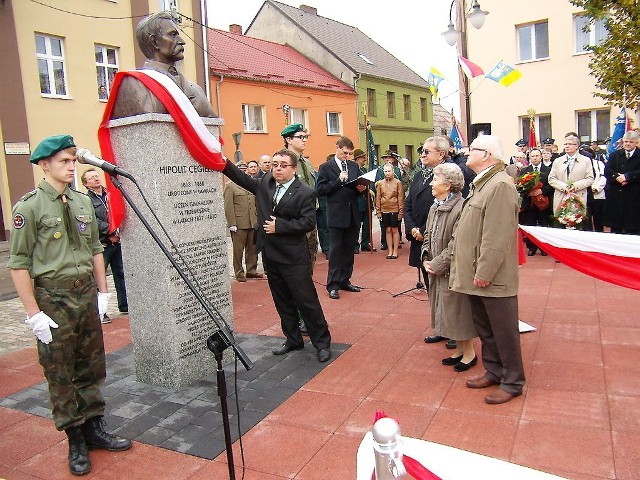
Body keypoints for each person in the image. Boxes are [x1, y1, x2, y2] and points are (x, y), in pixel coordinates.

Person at [8, 135, 132, 475]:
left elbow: (95, 248)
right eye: (64, 161)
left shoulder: (80, 202)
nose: (71, 166)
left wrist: (103, 292)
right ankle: (74, 437)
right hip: (53, 298)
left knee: (91, 365)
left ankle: (94, 427)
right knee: (60, 371)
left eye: (73, 160)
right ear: (44, 164)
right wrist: (33, 313)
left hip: (85, 295)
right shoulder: (30, 207)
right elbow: (18, 263)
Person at [222, 149, 332, 362]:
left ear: (293, 168)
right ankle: (293, 339)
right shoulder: (265, 184)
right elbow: (241, 177)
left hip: (293, 257)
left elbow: (308, 222)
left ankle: (322, 343)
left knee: (306, 301)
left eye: (283, 165)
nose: (278, 168)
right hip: (271, 255)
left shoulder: (305, 192)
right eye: (275, 164)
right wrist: (221, 159)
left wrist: (279, 226)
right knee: (282, 300)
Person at [450, 134, 525, 405]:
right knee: (486, 328)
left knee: (504, 330)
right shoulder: (483, 183)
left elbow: (497, 236)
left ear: (487, 155)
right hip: (476, 274)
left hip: (491, 277)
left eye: (473, 149)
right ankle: (494, 370)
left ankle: (513, 381)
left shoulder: (500, 184)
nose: (466, 152)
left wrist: (485, 271)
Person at [422, 163, 476, 372]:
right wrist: (426, 256)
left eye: (435, 180)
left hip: (455, 268)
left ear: (448, 184)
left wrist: (437, 264)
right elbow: (428, 234)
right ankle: (460, 349)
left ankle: (469, 352)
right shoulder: (435, 206)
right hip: (438, 268)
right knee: (446, 310)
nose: (431, 184)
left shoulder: (461, 207)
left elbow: (457, 243)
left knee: (459, 310)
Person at [111, 12, 216, 118]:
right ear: (154, 41)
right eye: (173, 35)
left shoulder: (196, 90)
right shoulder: (135, 85)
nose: (182, 41)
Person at [411, 137, 458, 349]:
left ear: (441, 154)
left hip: (441, 240)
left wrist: (425, 232)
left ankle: (454, 330)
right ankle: (440, 326)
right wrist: (413, 228)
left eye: (427, 151)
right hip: (421, 239)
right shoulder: (419, 175)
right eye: (422, 151)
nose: (422, 155)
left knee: (449, 289)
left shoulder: (450, 174)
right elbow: (410, 202)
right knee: (431, 286)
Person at [316, 136, 367, 299]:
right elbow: (321, 190)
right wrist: (338, 181)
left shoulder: (353, 166)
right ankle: (333, 284)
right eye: (345, 152)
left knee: (349, 249)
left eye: (350, 153)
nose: (347, 156)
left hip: (352, 213)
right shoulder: (326, 167)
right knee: (336, 250)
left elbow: (359, 187)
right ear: (337, 148)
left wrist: (362, 186)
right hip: (336, 214)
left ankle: (345, 280)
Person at [81, 168, 129, 317]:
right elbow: (93, 221)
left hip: (117, 240)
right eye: (91, 178)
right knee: (99, 277)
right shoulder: (86, 200)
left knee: (120, 274)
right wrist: (110, 231)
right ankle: (101, 311)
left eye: (96, 176)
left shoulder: (110, 194)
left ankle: (124, 305)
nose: (96, 179)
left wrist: (117, 232)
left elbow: (118, 212)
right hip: (102, 243)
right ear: (86, 184)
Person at [223, 162, 263, 282]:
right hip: (239, 223)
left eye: (244, 169)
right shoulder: (230, 186)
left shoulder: (250, 184)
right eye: (240, 169)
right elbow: (228, 206)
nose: (243, 171)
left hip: (252, 222)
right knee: (238, 250)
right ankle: (239, 272)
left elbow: (256, 204)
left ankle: (251, 270)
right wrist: (232, 223)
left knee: (252, 248)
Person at [603, 131, 640, 234]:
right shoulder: (615, 155)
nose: (628, 144)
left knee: (633, 228)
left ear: (636, 143)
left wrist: (627, 177)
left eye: (631, 142)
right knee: (616, 228)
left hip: (634, 196)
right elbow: (608, 170)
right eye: (626, 141)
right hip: (617, 195)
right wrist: (617, 177)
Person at [548, 133, 594, 215]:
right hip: (561, 197)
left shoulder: (586, 160)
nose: (567, 146)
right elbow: (551, 179)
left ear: (576, 146)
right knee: (560, 223)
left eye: (569, 144)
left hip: (578, 196)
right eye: (565, 144)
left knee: (577, 222)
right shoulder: (558, 161)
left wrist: (575, 186)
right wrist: (564, 187)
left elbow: (590, 178)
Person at [517, 148, 552, 255]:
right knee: (530, 225)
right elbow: (520, 187)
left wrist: (541, 190)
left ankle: (544, 248)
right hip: (530, 203)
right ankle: (531, 247)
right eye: (532, 156)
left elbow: (552, 186)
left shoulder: (548, 170)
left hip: (543, 203)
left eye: (537, 156)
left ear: (541, 157)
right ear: (529, 158)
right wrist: (529, 192)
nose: (535, 158)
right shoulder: (525, 171)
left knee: (544, 225)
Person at [375, 164, 404, 259]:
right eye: (385, 171)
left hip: (395, 209)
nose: (387, 173)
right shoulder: (380, 183)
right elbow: (378, 197)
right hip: (384, 210)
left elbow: (400, 198)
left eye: (389, 171)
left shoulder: (398, 183)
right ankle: (390, 250)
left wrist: (401, 212)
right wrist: (378, 211)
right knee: (387, 230)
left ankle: (395, 251)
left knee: (394, 229)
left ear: (393, 171)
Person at [353, 148, 374, 253]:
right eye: (363, 157)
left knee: (367, 224)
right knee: (356, 225)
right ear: (357, 159)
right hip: (357, 200)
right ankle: (355, 245)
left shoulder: (365, 170)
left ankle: (365, 243)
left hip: (367, 200)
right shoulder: (353, 170)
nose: (365, 159)